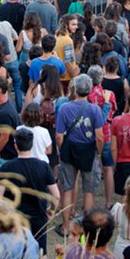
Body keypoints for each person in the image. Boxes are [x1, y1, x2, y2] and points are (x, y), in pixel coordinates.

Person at [54, 74, 105, 234]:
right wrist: (98, 153)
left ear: (74, 88)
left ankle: (65, 227)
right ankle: (86, 227)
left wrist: (63, 149)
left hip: (70, 150)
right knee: (88, 190)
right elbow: (100, 137)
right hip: (88, 151)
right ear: (89, 90)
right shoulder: (94, 109)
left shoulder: (64, 108)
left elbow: (59, 135)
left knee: (68, 188)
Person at [0, 127, 61, 253]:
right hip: (38, 217)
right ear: (31, 145)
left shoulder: (6, 167)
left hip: (15, 219)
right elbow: (56, 195)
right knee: (41, 252)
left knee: (16, 253)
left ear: (15, 146)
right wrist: (52, 211)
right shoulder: (43, 166)